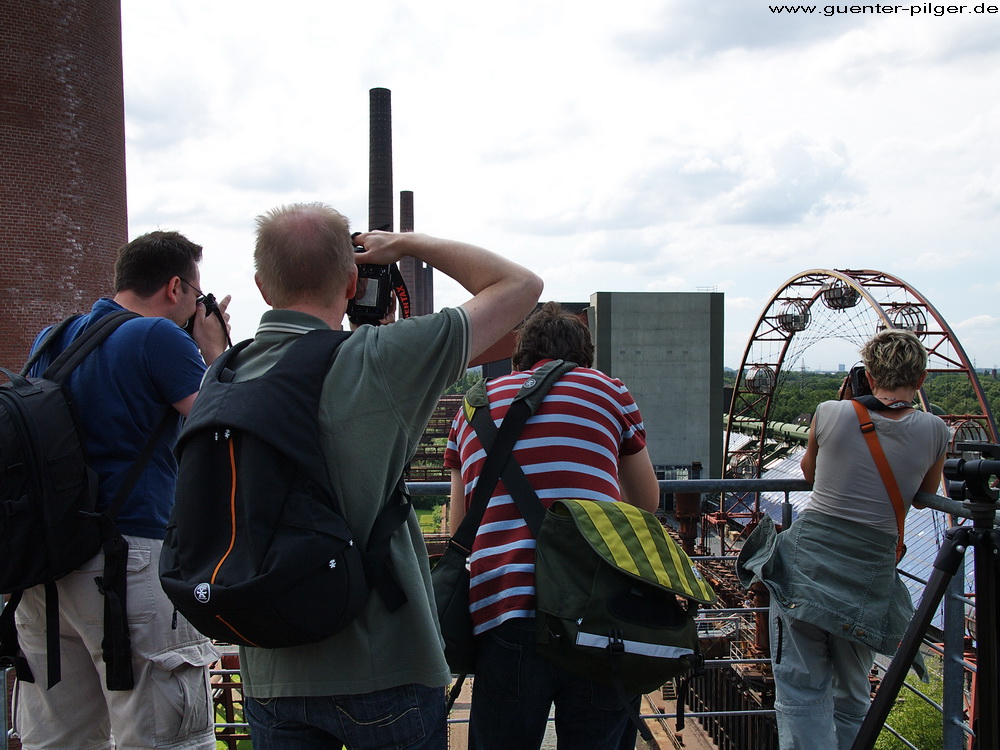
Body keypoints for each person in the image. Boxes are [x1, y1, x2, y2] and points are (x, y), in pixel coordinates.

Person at [235, 202, 543, 750]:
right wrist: (406, 244)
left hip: (270, 664)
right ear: (353, 282)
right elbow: (521, 285)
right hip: (385, 663)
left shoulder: (227, 371)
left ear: (261, 288)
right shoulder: (379, 357)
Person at [13, 230, 232, 749]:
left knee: (60, 741)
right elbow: (225, 428)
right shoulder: (159, 338)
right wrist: (216, 351)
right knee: (161, 736)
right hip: (128, 561)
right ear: (175, 287)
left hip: (44, 570)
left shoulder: (52, 338)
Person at [443, 301, 661, 750]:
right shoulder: (609, 392)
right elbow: (646, 502)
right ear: (585, 356)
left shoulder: (472, 408)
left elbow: (459, 527)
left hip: (504, 609)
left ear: (520, 356)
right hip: (597, 610)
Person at [738, 329, 951, 750]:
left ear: (868, 376)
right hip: (867, 580)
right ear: (922, 379)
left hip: (805, 567)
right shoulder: (936, 430)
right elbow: (926, 496)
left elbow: (811, 474)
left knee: (801, 690)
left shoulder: (831, 412)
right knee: (853, 695)